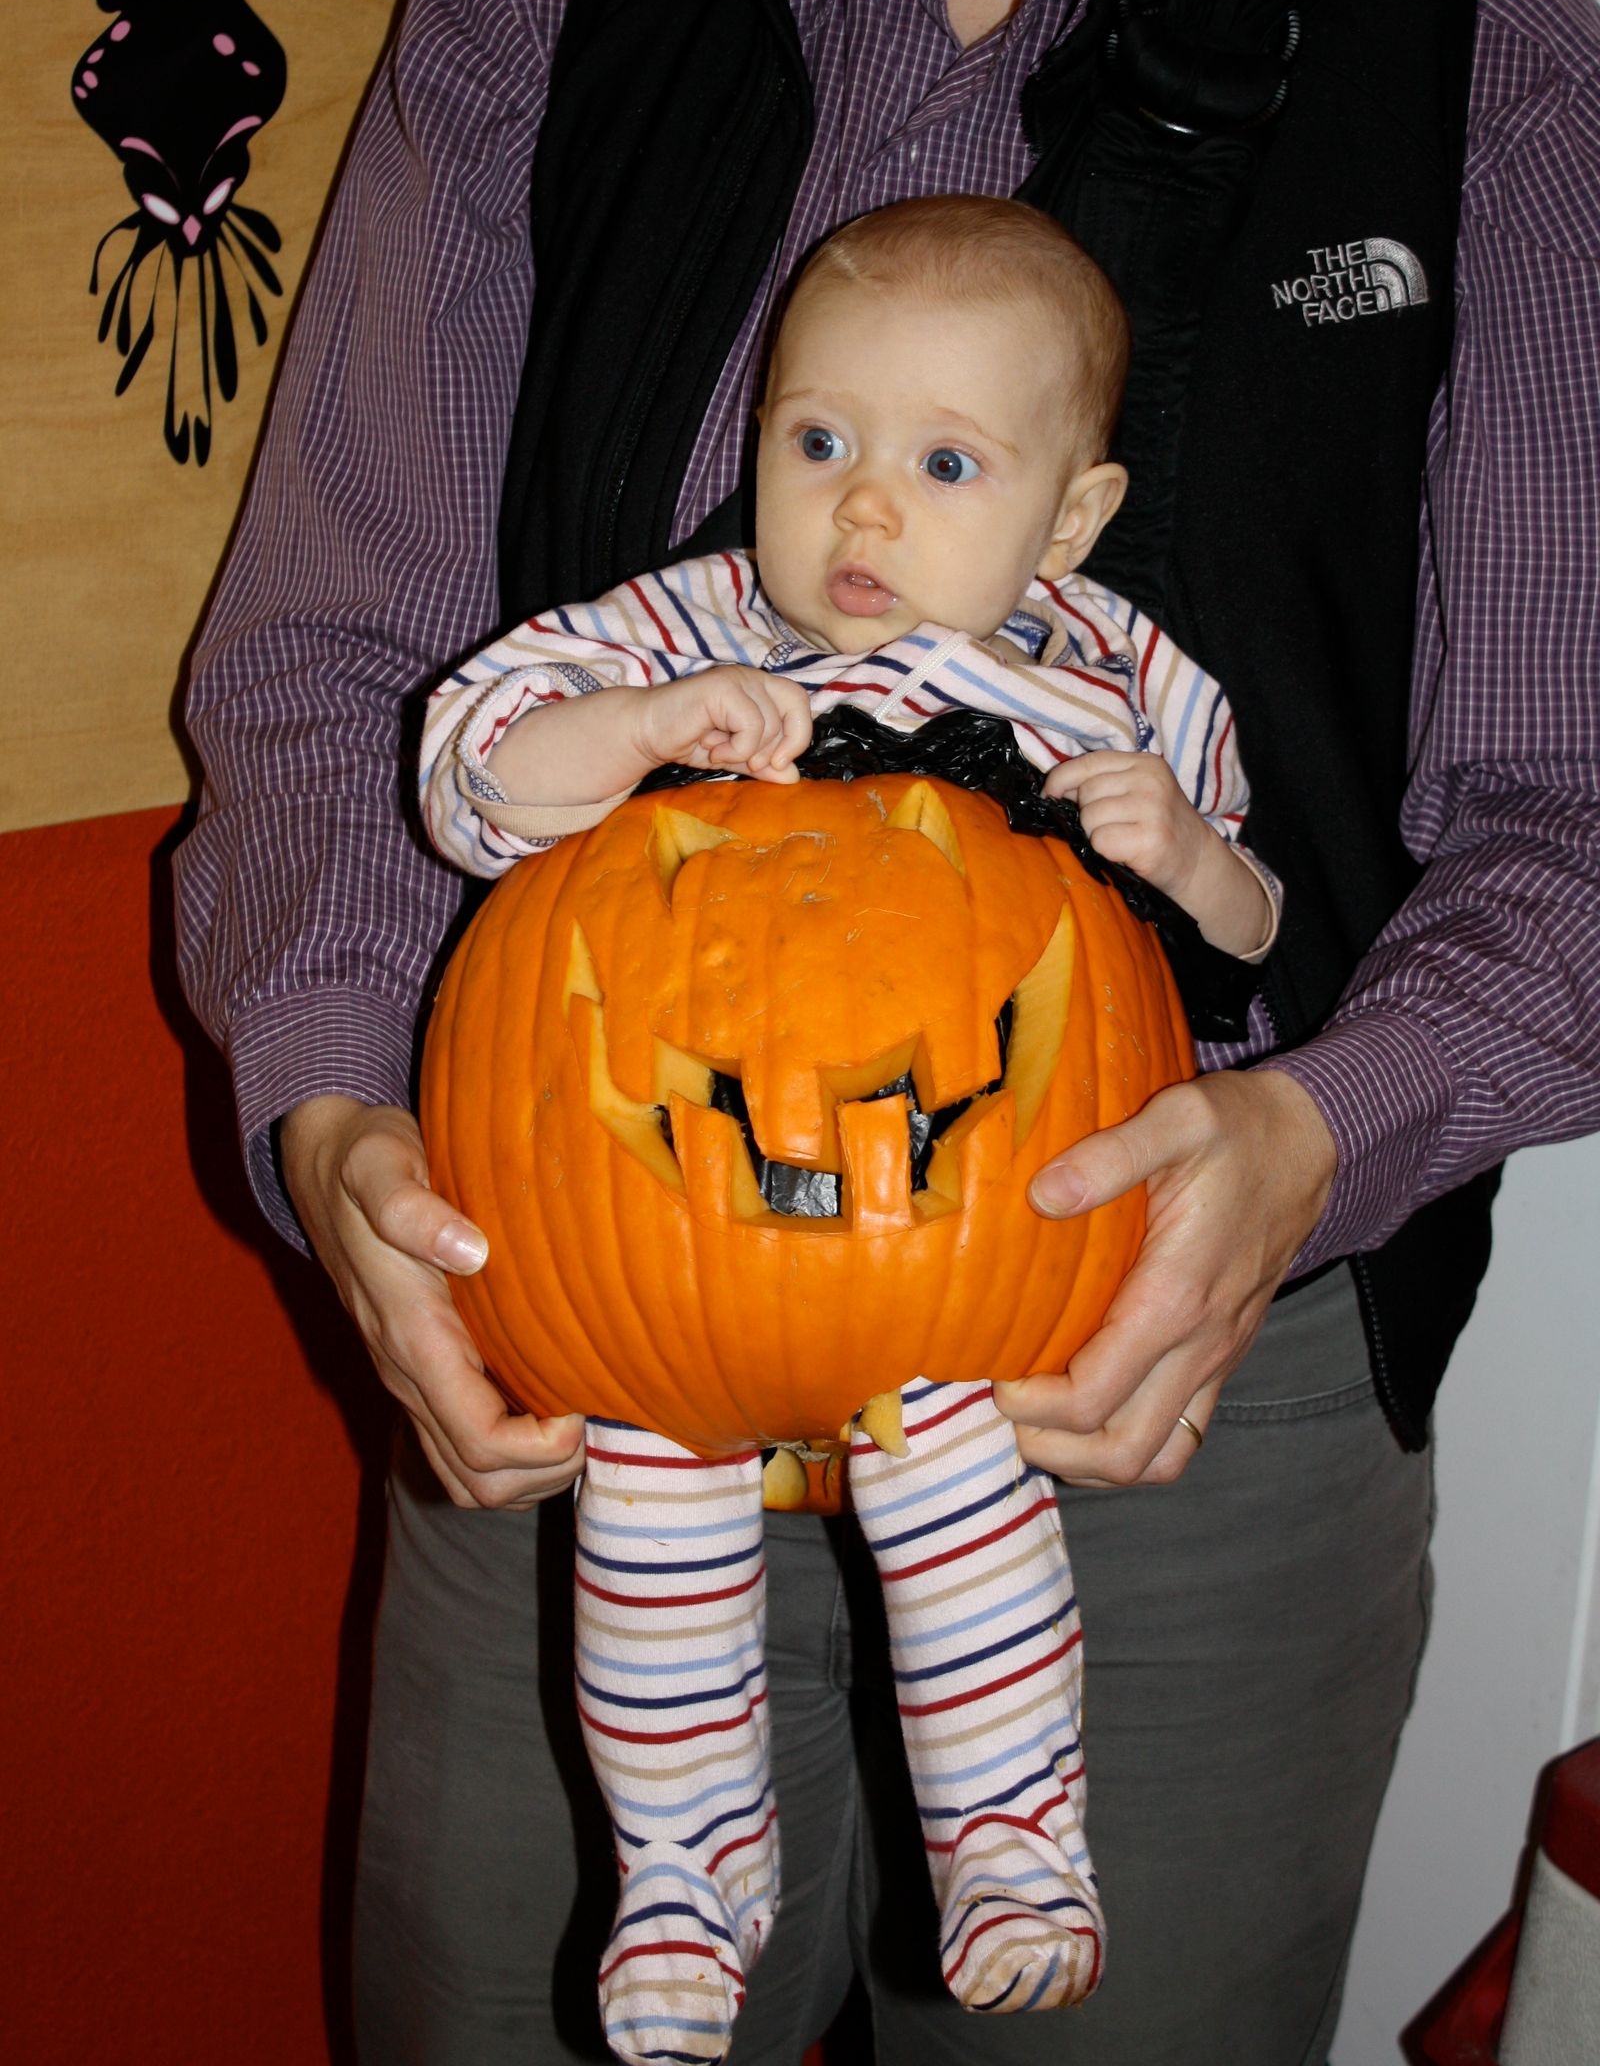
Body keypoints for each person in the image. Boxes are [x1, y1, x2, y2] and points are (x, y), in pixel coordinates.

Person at [174, 0, 1600, 2058]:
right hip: (571, 1303)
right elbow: (328, 674)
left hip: (1180, 1360)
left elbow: (1567, 816)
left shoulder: (1485, 59)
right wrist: (338, 1132)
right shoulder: (524, 9)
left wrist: (1309, 1138)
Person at [418, 196, 1280, 2060]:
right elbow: (472, 771)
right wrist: (641, 728)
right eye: (820, 446)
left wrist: (1186, 855)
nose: (863, 510)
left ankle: (1015, 1844)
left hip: (969, 1268)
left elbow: (1258, 934)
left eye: (944, 464)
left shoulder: (1121, 683)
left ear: (1070, 517)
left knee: (959, 1478)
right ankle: (682, 1876)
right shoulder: (691, 617)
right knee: (647, 1491)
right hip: (655, 1261)